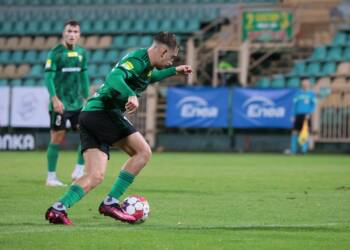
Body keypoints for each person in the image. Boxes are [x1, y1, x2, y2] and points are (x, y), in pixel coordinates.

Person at [45, 32, 192, 225]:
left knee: (94, 175)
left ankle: (58, 209)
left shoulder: (145, 64)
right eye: (172, 57)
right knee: (143, 152)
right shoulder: (138, 60)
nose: (171, 61)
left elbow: (149, 78)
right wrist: (130, 94)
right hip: (104, 112)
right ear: (163, 51)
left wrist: (174, 71)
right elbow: (115, 77)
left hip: (89, 114)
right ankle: (111, 202)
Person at [44, 20, 90, 186]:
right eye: (69, 31)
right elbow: (48, 77)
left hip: (77, 103)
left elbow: (84, 77)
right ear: (64, 33)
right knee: (57, 137)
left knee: (86, 134)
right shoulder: (55, 53)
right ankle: (51, 177)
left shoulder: (82, 53)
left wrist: (87, 98)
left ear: (79, 35)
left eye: (75, 31)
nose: (72, 34)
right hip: (60, 104)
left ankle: (78, 172)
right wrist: (54, 98)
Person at [290, 79, 317, 154]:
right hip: (298, 115)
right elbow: (294, 105)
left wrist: (309, 113)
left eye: (306, 83)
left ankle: (304, 150)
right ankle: (293, 150)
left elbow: (313, 105)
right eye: (303, 84)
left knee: (305, 132)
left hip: (306, 115)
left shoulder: (311, 94)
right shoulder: (298, 93)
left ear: (308, 84)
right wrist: (293, 115)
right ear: (301, 84)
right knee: (294, 132)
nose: (305, 85)